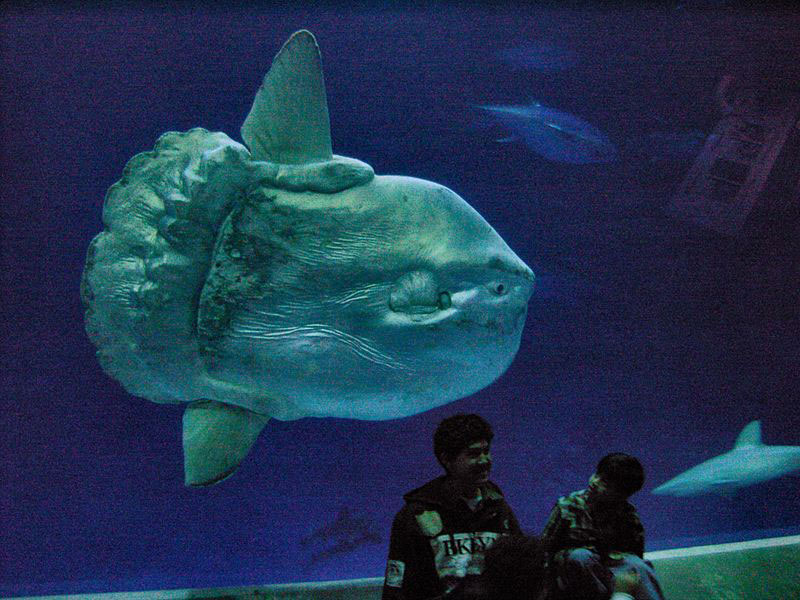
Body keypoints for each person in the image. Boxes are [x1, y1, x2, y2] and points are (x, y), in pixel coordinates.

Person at [381, 414, 522, 600]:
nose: (484, 460)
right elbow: (396, 589)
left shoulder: (500, 510)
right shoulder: (415, 516)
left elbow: (522, 574)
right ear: (447, 459)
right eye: (473, 454)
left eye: (486, 451)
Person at [541, 453, 665, 600]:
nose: (595, 481)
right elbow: (545, 548)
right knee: (581, 556)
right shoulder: (567, 506)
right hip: (572, 574)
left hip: (608, 568)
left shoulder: (628, 515)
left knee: (639, 566)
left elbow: (636, 553)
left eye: (605, 483)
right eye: (597, 475)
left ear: (621, 494)